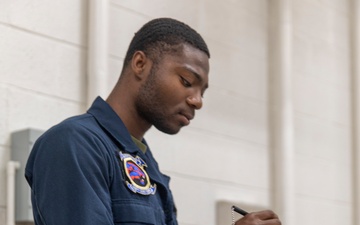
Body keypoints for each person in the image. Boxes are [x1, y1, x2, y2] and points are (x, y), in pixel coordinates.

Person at [25, 17, 281, 225]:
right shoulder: (76, 144)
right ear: (140, 64)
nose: (197, 101)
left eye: (202, 92)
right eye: (187, 82)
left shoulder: (146, 164)